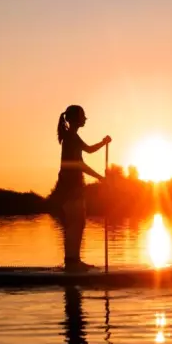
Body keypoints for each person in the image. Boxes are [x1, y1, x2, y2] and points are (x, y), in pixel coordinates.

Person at [55, 105, 111, 270]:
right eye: (83, 116)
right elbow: (79, 164)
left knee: (77, 223)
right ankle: (72, 262)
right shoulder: (70, 138)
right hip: (70, 188)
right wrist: (100, 177)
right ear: (75, 119)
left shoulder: (73, 137)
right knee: (76, 223)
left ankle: (73, 260)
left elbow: (89, 150)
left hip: (74, 187)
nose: (85, 118)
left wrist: (103, 143)